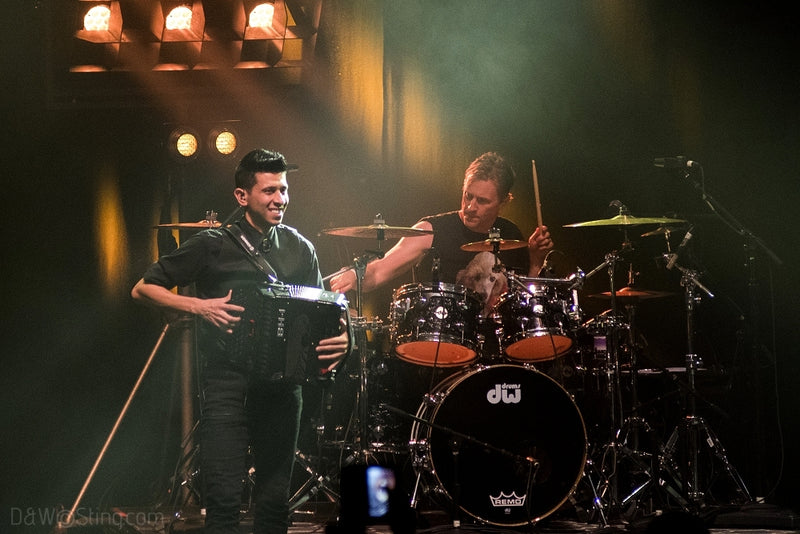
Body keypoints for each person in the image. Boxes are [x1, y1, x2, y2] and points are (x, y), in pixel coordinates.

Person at [131, 148, 350, 534]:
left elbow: (324, 314)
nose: (280, 199)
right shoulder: (213, 244)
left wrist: (344, 338)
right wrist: (199, 306)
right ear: (242, 196)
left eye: (283, 189)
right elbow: (143, 288)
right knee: (223, 503)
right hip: (226, 385)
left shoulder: (300, 248)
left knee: (274, 504)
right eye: (269, 190)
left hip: (283, 391)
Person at [329, 151, 553, 312]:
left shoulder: (511, 234)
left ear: (503, 202)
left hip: (495, 350)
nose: (470, 206)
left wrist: (536, 261)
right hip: (440, 345)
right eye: (468, 195)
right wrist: (355, 275)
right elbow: (380, 270)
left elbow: (527, 304)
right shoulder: (430, 230)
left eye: (482, 201)